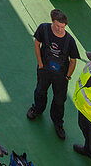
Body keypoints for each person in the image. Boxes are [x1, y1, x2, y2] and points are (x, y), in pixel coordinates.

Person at [28, 8, 79, 139]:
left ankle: (58, 122)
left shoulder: (70, 41)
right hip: (44, 69)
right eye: (57, 26)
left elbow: (73, 61)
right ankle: (37, 109)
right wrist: (40, 63)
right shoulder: (43, 29)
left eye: (63, 27)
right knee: (40, 91)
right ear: (52, 21)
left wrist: (67, 76)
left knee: (59, 99)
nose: (60, 29)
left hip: (61, 75)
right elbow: (37, 43)